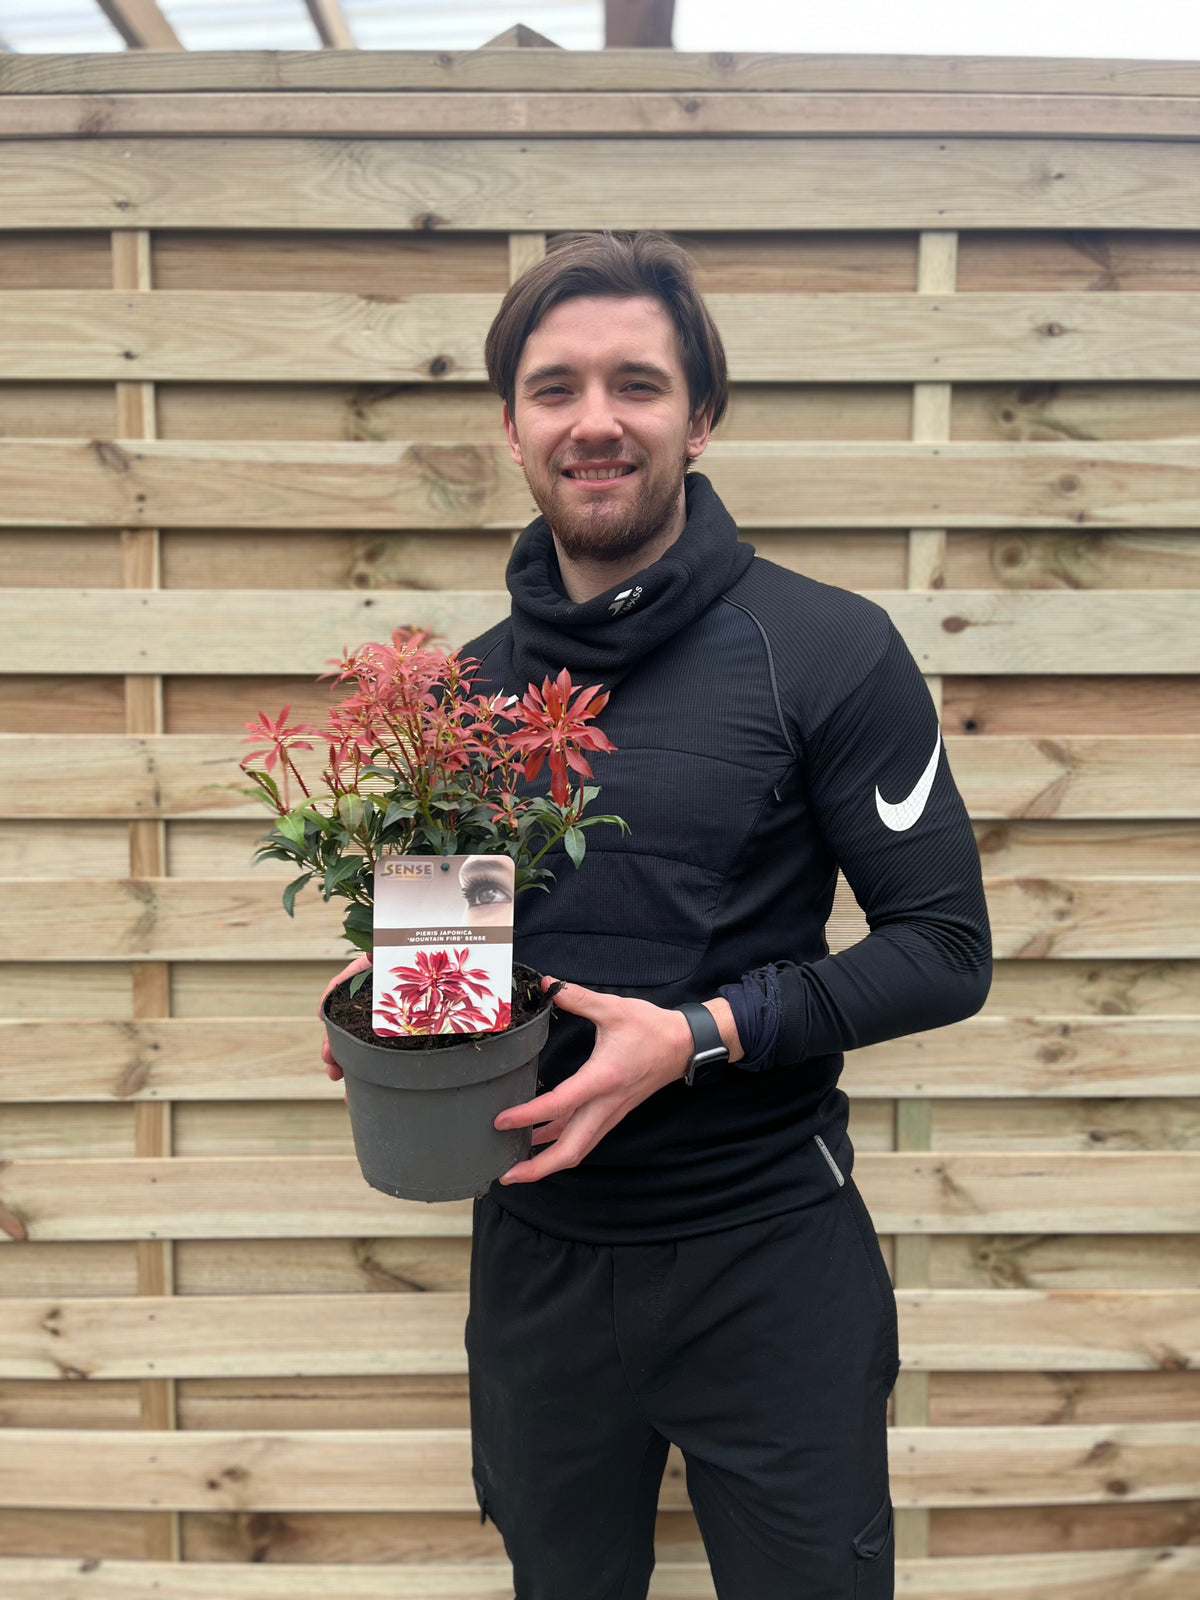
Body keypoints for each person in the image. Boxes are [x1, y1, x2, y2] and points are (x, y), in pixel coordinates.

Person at [322, 231, 991, 1600]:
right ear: (511, 424)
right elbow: (471, 940)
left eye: (637, 382)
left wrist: (700, 1034)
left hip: (771, 1258)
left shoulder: (826, 650)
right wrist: (398, 994)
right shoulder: (461, 694)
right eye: (556, 387)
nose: (596, 421)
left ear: (702, 415)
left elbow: (946, 951)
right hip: (538, 1263)